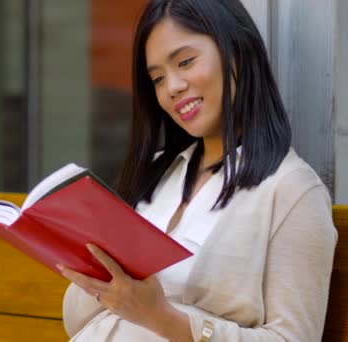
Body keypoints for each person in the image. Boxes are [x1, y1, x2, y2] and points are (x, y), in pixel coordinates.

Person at [57, 0, 338, 341]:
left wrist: (163, 318)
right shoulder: (157, 174)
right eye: (157, 78)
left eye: (185, 62)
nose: (172, 87)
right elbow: (77, 322)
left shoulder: (292, 191)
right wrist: (97, 268)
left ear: (238, 50)